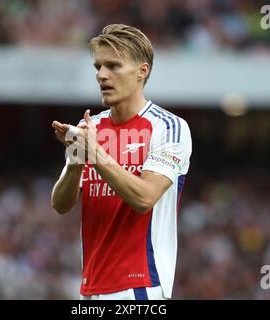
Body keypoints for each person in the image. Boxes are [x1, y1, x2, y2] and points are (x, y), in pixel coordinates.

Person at [51, 24, 192, 300]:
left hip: (140, 287)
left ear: (142, 71)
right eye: (98, 67)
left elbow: (144, 198)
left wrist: (95, 153)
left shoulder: (169, 127)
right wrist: (77, 160)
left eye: (113, 66)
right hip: (91, 287)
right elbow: (60, 204)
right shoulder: (91, 127)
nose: (102, 75)